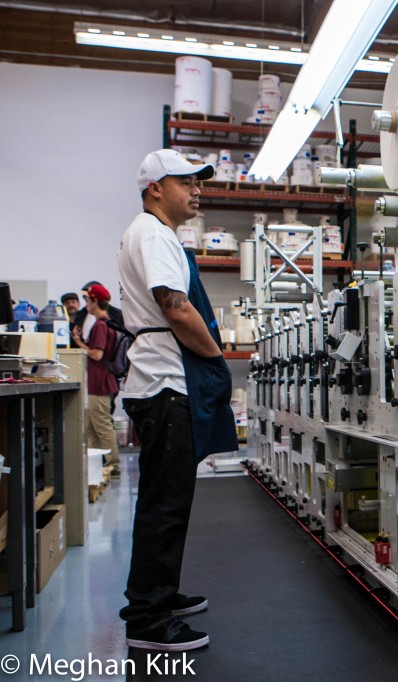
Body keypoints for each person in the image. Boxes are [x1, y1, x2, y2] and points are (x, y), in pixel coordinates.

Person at [117, 149, 237, 652]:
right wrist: (216, 358)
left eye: (198, 183)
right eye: (186, 182)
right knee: (166, 507)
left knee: (164, 502)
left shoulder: (155, 234)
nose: (196, 191)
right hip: (167, 383)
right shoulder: (153, 234)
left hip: (161, 383)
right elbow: (178, 309)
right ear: (155, 189)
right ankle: (149, 621)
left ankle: (154, 595)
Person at [70, 284, 120, 473]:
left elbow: (97, 354)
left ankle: (113, 464)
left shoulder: (100, 325)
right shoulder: (107, 323)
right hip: (97, 383)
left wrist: (79, 344)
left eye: (87, 300)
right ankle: (95, 465)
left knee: (102, 426)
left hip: (99, 383)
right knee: (91, 427)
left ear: (94, 302)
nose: (86, 305)